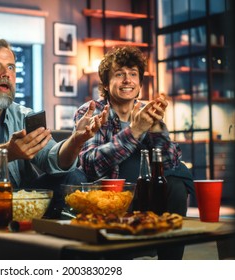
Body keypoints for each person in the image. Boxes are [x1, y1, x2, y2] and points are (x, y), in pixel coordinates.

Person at [0, 36, 108, 220]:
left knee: (74, 177)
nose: (5, 73)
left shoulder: (25, 115)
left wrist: (75, 141)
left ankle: (55, 242)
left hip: (21, 202)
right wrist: (8, 152)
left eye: (11, 67)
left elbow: (52, 159)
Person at [74, 45, 194, 259]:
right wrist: (135, 130)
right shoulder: (90, 111)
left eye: (133, 74)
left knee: (176, 183)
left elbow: (170, 163)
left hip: (147, 193)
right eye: (119, 74)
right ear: (106, 83)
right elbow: (90, 164)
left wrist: (157, 130)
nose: (127, 80)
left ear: (139, 82)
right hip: (111, 195)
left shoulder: (147, 111)